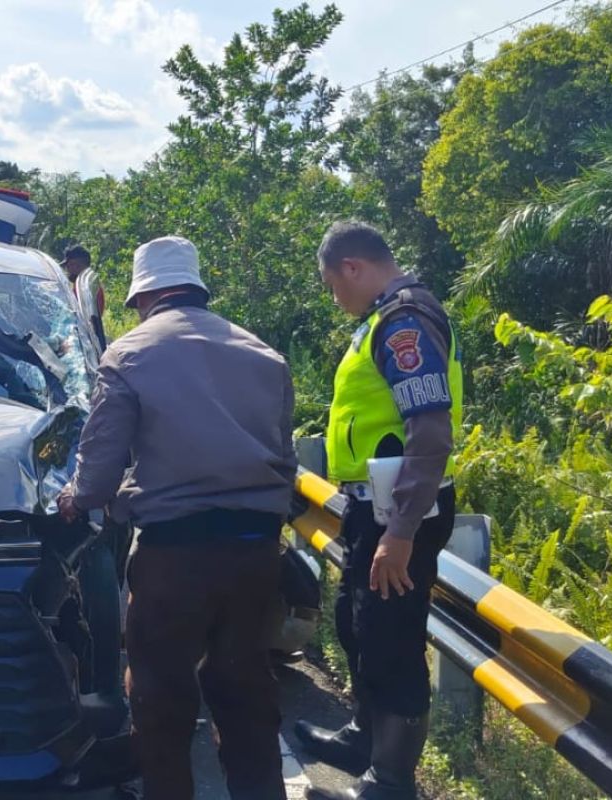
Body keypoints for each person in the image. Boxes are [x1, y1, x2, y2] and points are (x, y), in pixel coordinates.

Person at [58, 235, 297, 800]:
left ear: (145, 296)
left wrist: (72, 499)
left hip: (175, 557)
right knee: (245, 692)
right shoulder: (263, 353)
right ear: (195, 288)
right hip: (255, 554)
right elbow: (285, 458)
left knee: (161, 699)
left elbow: (96, 476)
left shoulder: (130, 353)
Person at [297, 221, 463, 800]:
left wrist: (401, 532)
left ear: (352, 268)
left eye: (330, 284)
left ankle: (390, 782)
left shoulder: (403, 322)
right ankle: (363, 739)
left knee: (392, 638)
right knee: (358, 622)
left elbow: (430, 433)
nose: (332, 297)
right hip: (375, 506)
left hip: (402, 511)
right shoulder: (383, 317)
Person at [61, 243, 107, 317]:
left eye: (68, 266)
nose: (67, 270)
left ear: (75, 265)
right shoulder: (89, 285)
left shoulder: (83, 288)